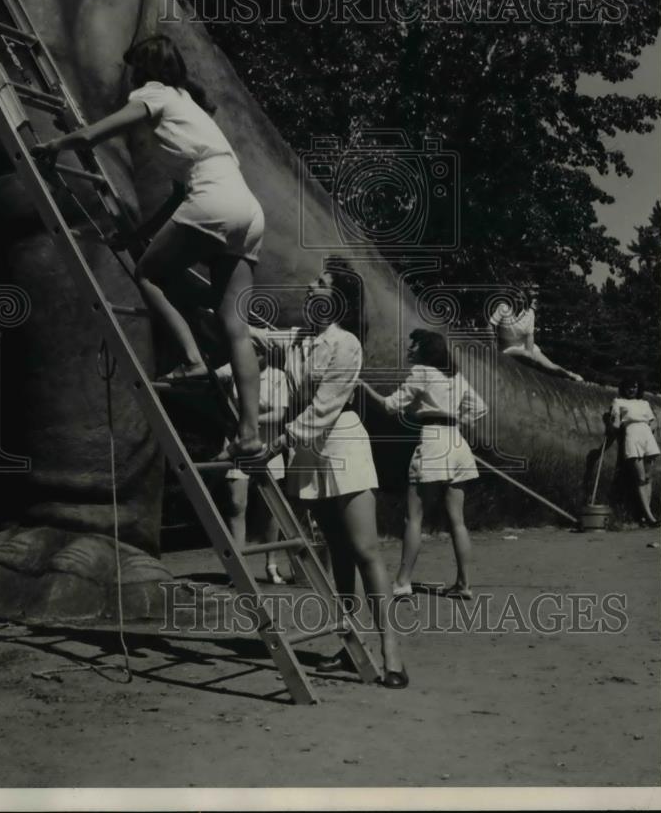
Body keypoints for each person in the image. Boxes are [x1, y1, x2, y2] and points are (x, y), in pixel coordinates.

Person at [35, 34, 264, 456]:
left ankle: (193, 359)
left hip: (213, 198)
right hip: (247, 208)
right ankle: (251, 434)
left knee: (148, 275)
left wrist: (55, 145)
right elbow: (178, 198)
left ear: (141, 70)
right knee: (237, 327)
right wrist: (138, 237)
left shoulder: (151, 94)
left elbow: (91, 138)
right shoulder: (188, 104)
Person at [251, 257, 408, 688]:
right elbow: (257, 337)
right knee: (336, 551)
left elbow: (325, 408)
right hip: (310, 454)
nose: (308, 286)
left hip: (342, 445)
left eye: (319, 282)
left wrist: (280, 442)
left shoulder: (346, 345)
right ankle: (349, 642)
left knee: (365, 549)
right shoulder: (300, 339)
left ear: (336, 299)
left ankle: (391, 650)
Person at [360, 330, 487, 600]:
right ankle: (464, 585)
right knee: (458, 521)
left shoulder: (421, 372)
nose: (409, 349)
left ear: (425, 349)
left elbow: (389, 406)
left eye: (413, 345)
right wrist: (455, 419)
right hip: (457, 443)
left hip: (432, 442)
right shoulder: (455, 376)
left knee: (414, 518)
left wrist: (362, 386)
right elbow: (480, 408)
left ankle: (403, 582)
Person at [215, 339, 290, 583]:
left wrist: (250, 420)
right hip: (237, 444)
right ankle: (239, 568)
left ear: (266, 355)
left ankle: (271, 564)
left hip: (268, 446)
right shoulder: (236, 368)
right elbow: (211, 375)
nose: (251, 357)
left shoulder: (278, 376)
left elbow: (279, 412)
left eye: (257, 353)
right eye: (248, 352)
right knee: (237, 504)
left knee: (271, 509)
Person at [488, 285, 583, 382]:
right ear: (511, 298)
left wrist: (530, 354)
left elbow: (530, 336)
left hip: (525, 346)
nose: (519, 300)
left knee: (551, 367)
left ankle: (570, 375)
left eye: (521, 298)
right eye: (516, 297)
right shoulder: (503, 308)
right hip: (507, 348)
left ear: (526, 300)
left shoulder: (529, 313)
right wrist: (493, 347)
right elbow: (491, 325)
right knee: (527, 357)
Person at [609, 376, 661, 527]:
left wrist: (652, 431)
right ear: (624, 388)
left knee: (649, 478)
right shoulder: (618, 401)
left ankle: (645, 516)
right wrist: (611, 424)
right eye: (629, 386)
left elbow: (653, 421)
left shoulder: (644, 403)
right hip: (632, 435)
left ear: (638, 388)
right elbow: (617, 425)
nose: (632, 389)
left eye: (635, 387)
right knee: (640, 478)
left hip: (647, 436)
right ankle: (650, 517)